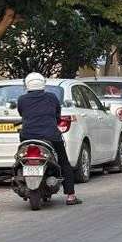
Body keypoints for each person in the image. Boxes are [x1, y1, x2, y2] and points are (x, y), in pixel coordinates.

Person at [17, 73, 81, 205]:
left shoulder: (22, 99)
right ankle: (71, 196)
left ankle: (20, 173)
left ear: (27, 85)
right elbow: (57, 115)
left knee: (20, 157)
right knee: (63, 162)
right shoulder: (51, 97)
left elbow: (22, 113)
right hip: (51, 136)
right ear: (43, 84)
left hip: (28, 136)